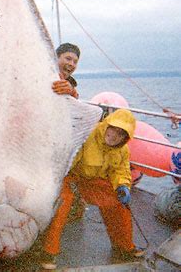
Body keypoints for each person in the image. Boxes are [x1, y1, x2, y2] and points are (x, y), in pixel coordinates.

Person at [39, 109, 146, 270]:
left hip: (92, 180)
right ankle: (48, 251)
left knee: (118, 202)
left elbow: (121, 171)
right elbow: (67, 161)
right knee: (62, 203)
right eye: (113, 129)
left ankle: (124, 247)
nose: (114, 135)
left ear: (126, 137)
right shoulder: (87, 135)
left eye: (121, 133)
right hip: (69, 175)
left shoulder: (123, 150)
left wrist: (123, 186)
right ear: (106, 125)